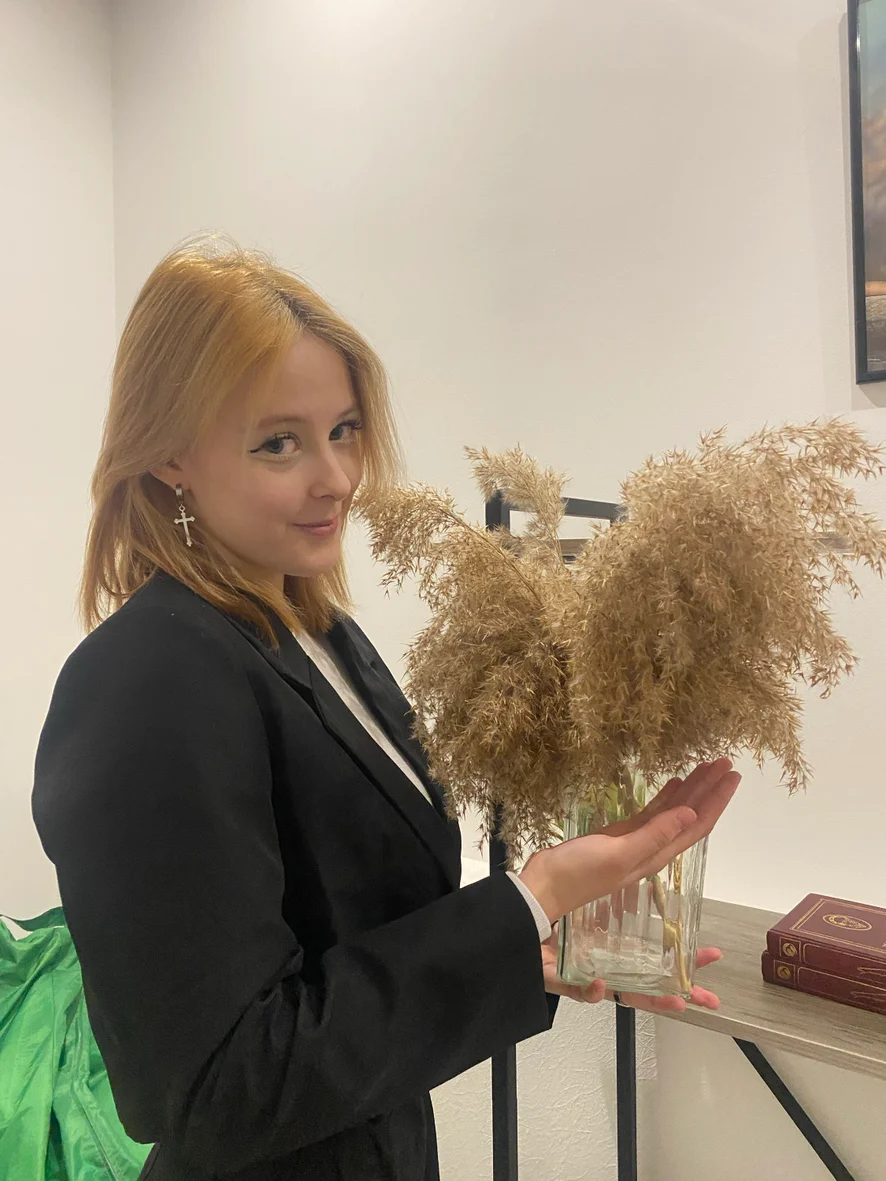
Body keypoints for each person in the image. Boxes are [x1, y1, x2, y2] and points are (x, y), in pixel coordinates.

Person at [32, 240, 741, 1181]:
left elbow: (351, 942)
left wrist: (522, 943)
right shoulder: (148, 677)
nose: (335, 477)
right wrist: (535, 894)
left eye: (345, 430)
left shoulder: (315, 631)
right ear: (169, 454)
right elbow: (214, 1086)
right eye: (279, 442)